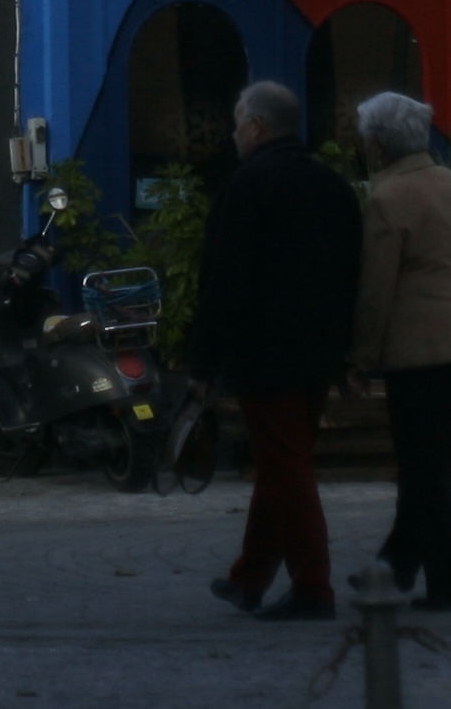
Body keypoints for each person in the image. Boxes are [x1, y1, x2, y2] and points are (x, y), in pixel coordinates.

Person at [188, 80, 362, 621]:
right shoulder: (334, 186)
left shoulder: (249, 186)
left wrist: (202, 364)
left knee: (286, 470)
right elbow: (351, 274)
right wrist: (342, 352)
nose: (235, 131)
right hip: (317, 353)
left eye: (239, 121)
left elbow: (225, 281)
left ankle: (314, 588)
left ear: (257, 126)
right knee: (280, 464)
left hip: (266, 354)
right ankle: (250, 577)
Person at [350, 90, 451, 611]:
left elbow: (376, 288)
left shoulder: (387, 199)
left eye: (365, 139)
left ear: (379, 146)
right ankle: (395, 566)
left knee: (423, 470)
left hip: (416, 349)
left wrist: (362, 355)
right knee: (431, 462)